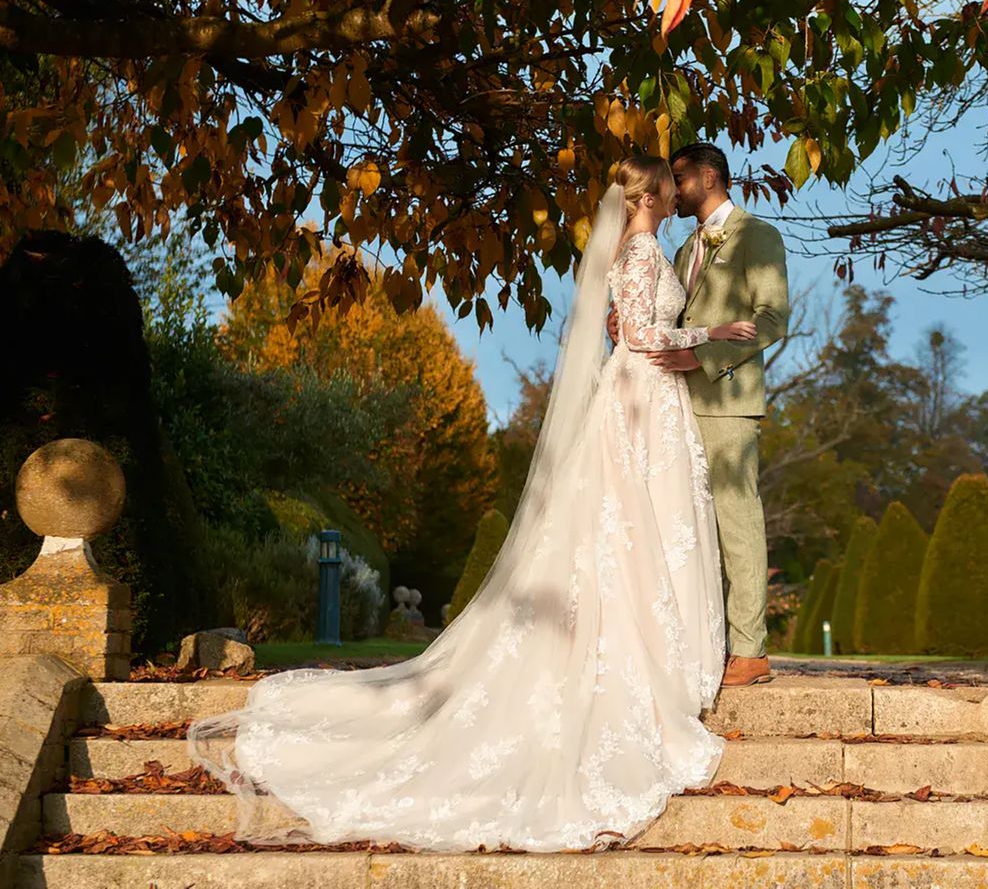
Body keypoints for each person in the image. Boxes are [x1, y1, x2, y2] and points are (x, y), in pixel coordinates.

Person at [187, 155, 758, 853]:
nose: (674, 192)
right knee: (631, 534)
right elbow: (639, 337)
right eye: (666, 185)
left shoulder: (642, 252)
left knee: (639, 534)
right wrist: (711, 335)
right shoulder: (641, 253)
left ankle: (654, 656)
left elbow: (626, 327)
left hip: (648, 401)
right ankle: (643, 663)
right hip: (642, 398)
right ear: (650, 194)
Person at [609, 143, 789, 687]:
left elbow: (772, 319)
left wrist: (703, 356)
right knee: (685, 529)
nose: (674, 189)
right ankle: (701, 646)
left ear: (709, 177)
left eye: (681, 178)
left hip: (727, 402)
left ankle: (750, 651)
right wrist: (624, 327)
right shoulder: (683, 247)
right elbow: (663, 316)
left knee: (736, 521)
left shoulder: (758, 236)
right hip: (674, 405)